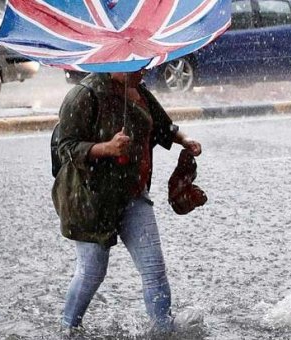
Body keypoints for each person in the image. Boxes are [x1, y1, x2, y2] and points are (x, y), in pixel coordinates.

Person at [53, 70, 202, 333]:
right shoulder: (84, 95)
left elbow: (162, 125)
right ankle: (68, 329)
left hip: (133, 194)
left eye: (144, 64)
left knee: (153, 268)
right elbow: (65, 146)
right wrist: (105, 148)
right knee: (92, 271)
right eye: (136, 65)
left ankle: (162, 330)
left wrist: (185, 140)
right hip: (91, 198)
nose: (143, 70)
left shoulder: (138, 90)